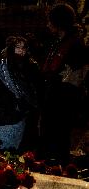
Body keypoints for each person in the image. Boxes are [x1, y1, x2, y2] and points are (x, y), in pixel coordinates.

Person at [38, 3, 87, 166]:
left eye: (50, 21)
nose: (47, 24)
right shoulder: (57, 41)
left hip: (63, 101)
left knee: (59, 139)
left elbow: (76, 75)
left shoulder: (74, 44)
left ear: (58, 22)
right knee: (49, 138)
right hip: (52, 97)